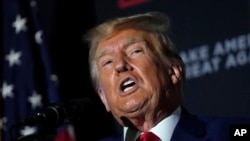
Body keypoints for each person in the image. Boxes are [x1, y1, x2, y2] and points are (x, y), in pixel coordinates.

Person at [83, 12, 250, 141]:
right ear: (103, 97)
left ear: (173, 71)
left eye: (135, 51)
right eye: (107, 62)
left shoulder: (233, 133)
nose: (120, 65)